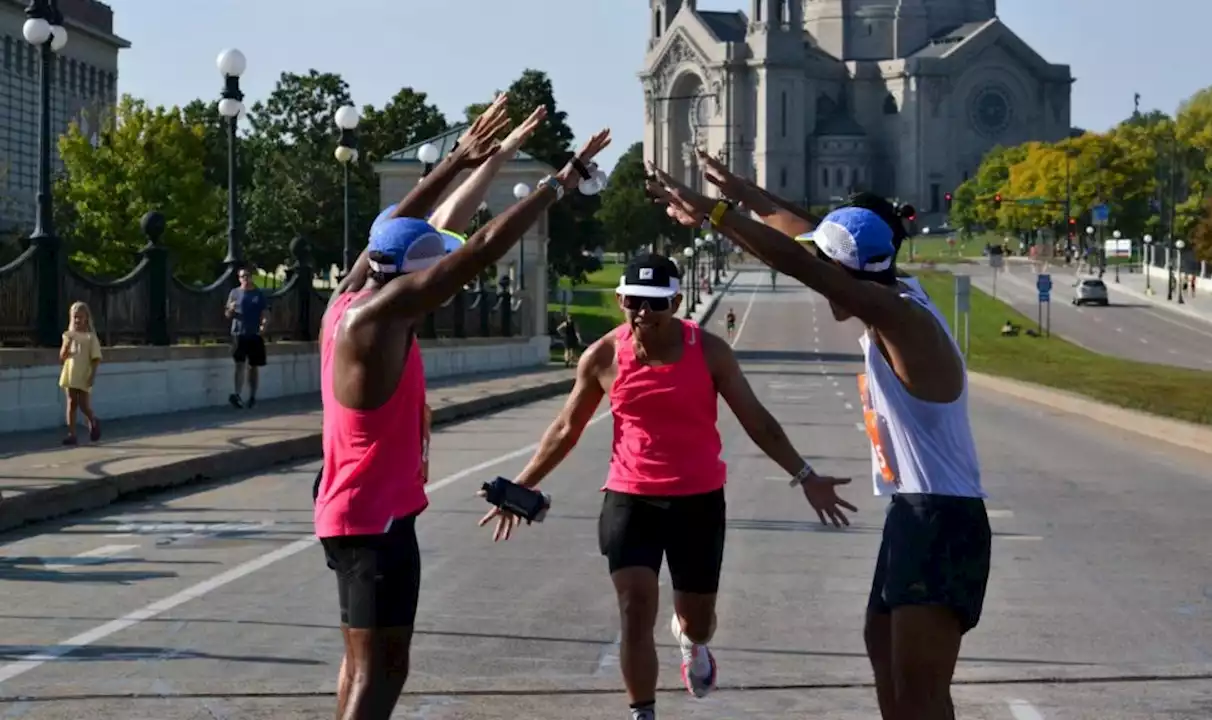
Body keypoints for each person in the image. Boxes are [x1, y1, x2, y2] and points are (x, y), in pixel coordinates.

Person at [646, 152, 991, 720]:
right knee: (881, 650)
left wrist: (717, 213)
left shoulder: (899, 317)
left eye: (830, 273)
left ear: (848, 275)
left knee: (921, 688)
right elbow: (800, 234)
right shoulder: (885, 283)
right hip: (916, 512)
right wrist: (744, 194)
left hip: (944, 520)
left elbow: (801, 261)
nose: (821, 285)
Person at [314, 88, 612, 720]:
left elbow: (402, 230)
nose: (438, 289)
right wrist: (557, 184)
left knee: (358, 662)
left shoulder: (348, 297)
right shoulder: (379, 317)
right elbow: (477, 250)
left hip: (352, 510)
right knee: (382, 671)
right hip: (376, 519)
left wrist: (459, 162)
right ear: (410, 282)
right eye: (430, 278)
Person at [479, 253, 855, 720]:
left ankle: (691, 642)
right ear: (620, 299)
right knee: (635, 609)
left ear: (676, 302)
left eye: (655, 303)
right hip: (629, 497)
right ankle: (643, 712)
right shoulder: (603, 356)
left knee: (697, 621)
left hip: (697, 502)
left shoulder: (710, 351)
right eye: (633, 301)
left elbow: (758, 421)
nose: (643, 312)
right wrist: (520, 486)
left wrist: (806, 477)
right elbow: (565, 430)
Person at [58, 301, 102, 445]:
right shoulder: (68, 335)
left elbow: (96, 359)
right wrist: (66, 345)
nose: (77, 320)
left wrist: (92, 375)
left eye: (80, 317)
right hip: (71, 374)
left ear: (86, 318)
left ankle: (93, 420)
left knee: (83, 404)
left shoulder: (90, 338)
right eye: (75, 317)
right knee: (71, 403)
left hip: (84, 374)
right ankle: (72, 434)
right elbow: (62, 357)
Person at [225, 266, 270, 409]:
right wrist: (230, 310)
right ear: (239, 279)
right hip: (239, 333)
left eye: (247, 276)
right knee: (239, 364)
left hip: (254, 334)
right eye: (242, 276)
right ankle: (237, 394)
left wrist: (264, 325)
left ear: (251, 277)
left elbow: (265, 313)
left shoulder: (258, 294)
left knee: (253, 366)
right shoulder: (234, 293)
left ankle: (252, 396)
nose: (245, 279)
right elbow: (227, 314)